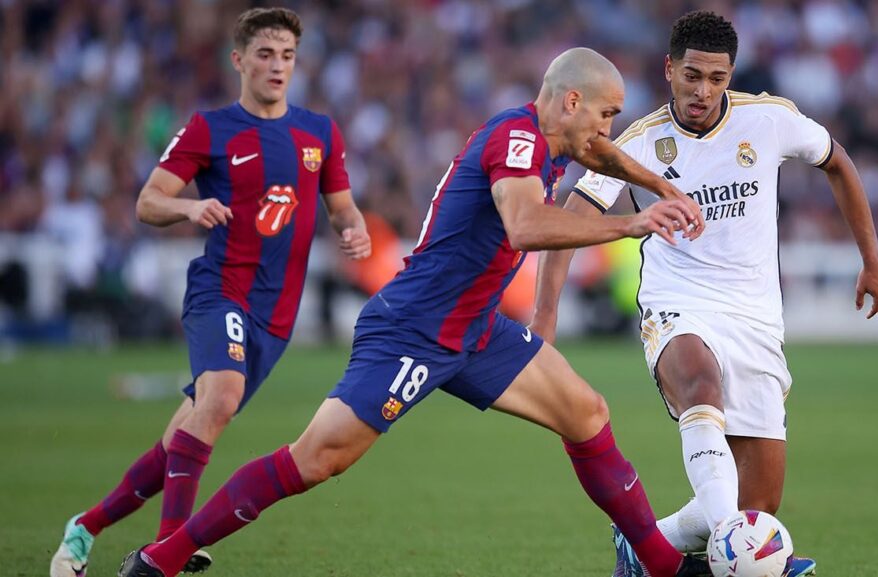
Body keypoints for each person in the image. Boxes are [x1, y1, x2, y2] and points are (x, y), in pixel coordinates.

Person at [117, 47, 709, 577]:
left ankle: (660, 565)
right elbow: (525, 226)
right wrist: (632, 222)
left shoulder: (556, 138)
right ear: (571, 101)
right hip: (414, 329)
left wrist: (663, 187)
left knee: (587, 413)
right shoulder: (518, 140)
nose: (609, 129)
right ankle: (159, 560)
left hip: (475, 329)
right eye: (606, 113)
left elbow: (600, 153)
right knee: (317, 460)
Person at [530, 11, 878, 577]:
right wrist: (545, 317)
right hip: (677, 305)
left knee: (759, 502)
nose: (703, 91)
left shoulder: (768, 120)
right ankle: (736, 550)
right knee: (701, 386)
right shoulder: (638, 142)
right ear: (669, 69)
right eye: (692, 75)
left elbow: (837, 162)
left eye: (717, 78)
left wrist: (872, 259)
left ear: (731, 76)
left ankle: (646, 545)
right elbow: (572, 218)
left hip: (755, 318)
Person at [50, 8, 370, 577]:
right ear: (239, 60)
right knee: (219, 400)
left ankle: (86, 526)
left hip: (276, 316)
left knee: (183, 438)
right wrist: (189, 207)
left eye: (287, 56)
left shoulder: (319, 133)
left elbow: (342, 207)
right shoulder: (209, 129)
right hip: (220, 291)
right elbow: (149, 201)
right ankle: (164, 551)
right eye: (265, 54)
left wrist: (355, 230)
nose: (277, 66)